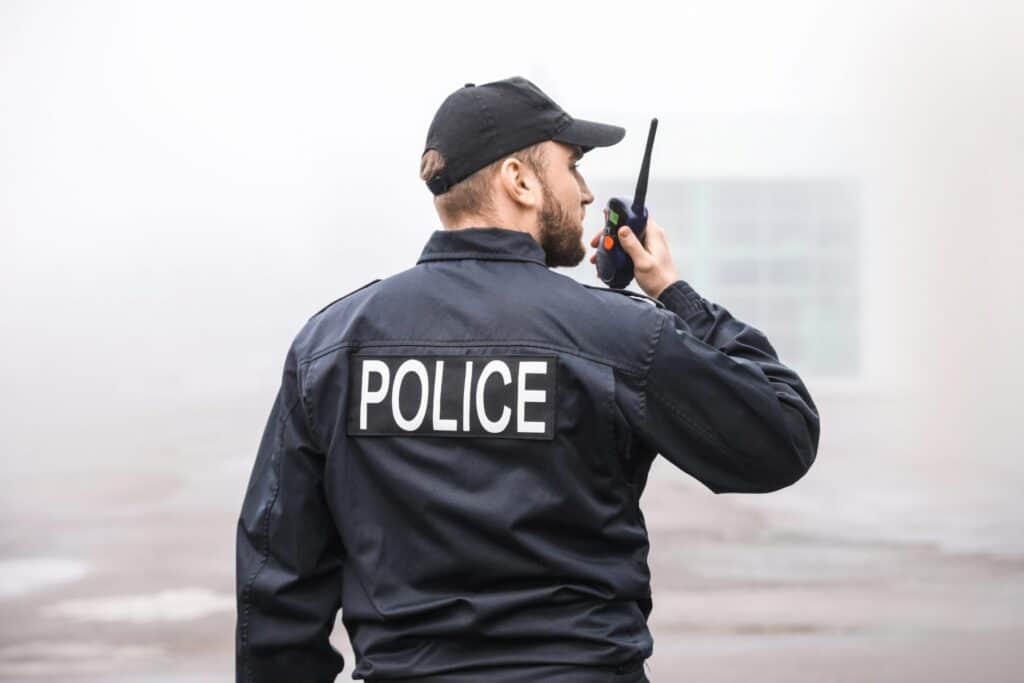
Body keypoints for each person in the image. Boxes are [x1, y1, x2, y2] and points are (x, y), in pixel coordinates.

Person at [235, 76, 820, 683]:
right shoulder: (618, 334)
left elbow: (278, 581)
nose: (589, 195)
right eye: (574, 167)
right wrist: (675, 294)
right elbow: (782, 436)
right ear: (520, 179)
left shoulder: (331, 346)